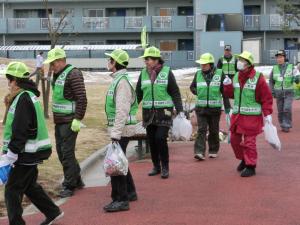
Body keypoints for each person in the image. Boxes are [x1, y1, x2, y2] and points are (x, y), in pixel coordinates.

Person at [0, 61, 64, 225]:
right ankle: (53, 212)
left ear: (16, 80)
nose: (8, 84)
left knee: (12, 189)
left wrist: (12, 153)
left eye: (9, 80)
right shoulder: (27, 96)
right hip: (30, 152)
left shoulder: (23, 98)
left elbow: (21, 128)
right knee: (29, 186)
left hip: (24, 153)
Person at [43, 48, 87, 197]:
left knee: (67, 153)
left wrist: (77, 118)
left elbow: (81, 98)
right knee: (62, 153)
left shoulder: (73, 73)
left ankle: (69, 185)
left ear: (61, 60)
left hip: (70, 121)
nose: (51, 66)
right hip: (59, 121)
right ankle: (77, 178)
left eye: (53, 63)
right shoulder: (57, 74)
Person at [136, 46, 183, 179]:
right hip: (148, 114)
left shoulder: (167, 72)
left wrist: (180, 110)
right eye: (145, 59)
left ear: (157, 60)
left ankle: (165, 167)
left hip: (164, 113)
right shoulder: (143, 73)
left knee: (160, 138)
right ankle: (156, 166)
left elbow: (175, 92)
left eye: (148, 59)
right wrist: (131, 108)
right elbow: (138, 94)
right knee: (152, 140)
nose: (146, 61)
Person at [223, 51, 273, 177]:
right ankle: (244, 159)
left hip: (252, 117)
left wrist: (267, 114)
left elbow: (266, 98)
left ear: (249, 64)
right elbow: (231, 95)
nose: (239, 62)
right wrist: (228, 86)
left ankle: (251, 166)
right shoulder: (236, 76)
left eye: (242, 60)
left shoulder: (258, 78)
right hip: (238, 116)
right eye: (239, 59)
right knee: (234, 140)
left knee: (249, 142)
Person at [103, 49, 138, 212]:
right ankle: (130, 192)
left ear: (115, 63)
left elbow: (121, 111)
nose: (108, 62)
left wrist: (115, 134)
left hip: (122, 131)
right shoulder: (118, 80)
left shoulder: (122, 82)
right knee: (121, 161)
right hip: (121, 129)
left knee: (115, 165)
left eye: (110, 59)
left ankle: (121, 199)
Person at [190, 53, 231, 160]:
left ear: (211, 64)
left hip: (214, 108)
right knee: (201, 130)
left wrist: (227, 107)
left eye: (205, 64)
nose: (202, 66)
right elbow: (192, 87)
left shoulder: (219, 73)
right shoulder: (198, 74)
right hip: (201, 108)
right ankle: (199, 152)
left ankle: (213, 150)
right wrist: (197, 92)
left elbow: (224, 91)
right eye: (201, 64)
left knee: (214, 130)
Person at [269, 50, 298, 132]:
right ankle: (282, 124)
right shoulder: (274, 68)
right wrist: (272, 91)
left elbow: (297, 75)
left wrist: (297, 78)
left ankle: (287, 124)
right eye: (277, 57)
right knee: (280, 110)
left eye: (281, 57)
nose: (279, 59)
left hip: (289, 92)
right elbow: (271, 81)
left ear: (285, 58)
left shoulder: (291, 67)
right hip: (278, 93)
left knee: (287, 108)